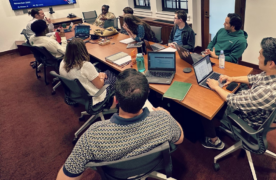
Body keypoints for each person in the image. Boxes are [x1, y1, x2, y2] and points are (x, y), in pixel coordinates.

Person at [56, 68, 184, 179]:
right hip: (153, 166)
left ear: (115, 99)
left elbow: (67, 175)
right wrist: (167, 115)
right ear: (145, 98)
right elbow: (179, 139)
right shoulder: (163, 120)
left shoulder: (93, 135)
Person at [201, 37, 276, 150]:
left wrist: (216, 87)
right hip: (260, 109)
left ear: (271, 63)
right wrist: (231, 78)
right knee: (236, 87)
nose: (258, 57)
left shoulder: (267, 93)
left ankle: (213, 141)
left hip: (245, 119)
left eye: (260, 55)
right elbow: (255, 78)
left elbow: (232, 100)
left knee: (206, 106)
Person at [59, 38, 116, 106]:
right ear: (83, 50)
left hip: (79, 94)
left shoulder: (63, 62)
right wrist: (101, 77)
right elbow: (100, 86)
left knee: (105, 71)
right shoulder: (85, 65)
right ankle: (113, 103)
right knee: (113, 73)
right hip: (95, 96)